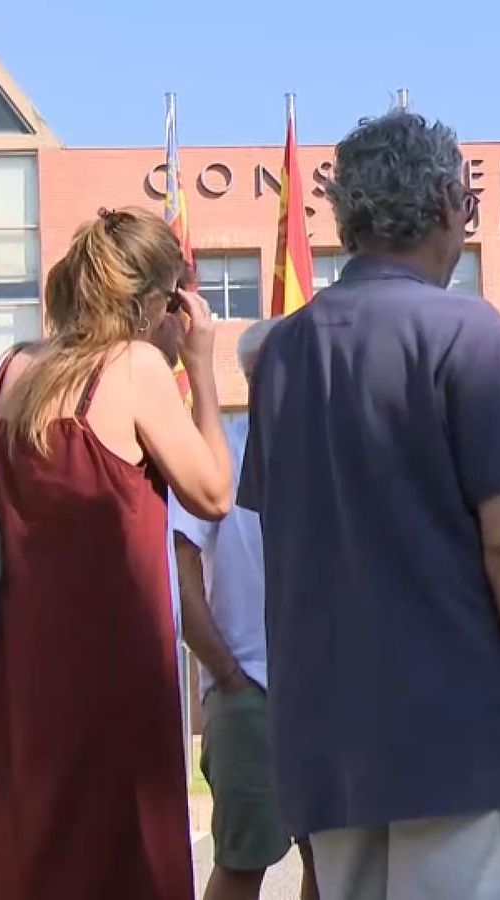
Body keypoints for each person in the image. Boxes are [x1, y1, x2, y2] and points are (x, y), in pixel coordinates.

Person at [238, 110, 500, 900]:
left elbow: (289, 538)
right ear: (445, 199)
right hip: (456, 735)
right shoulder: (466, 331)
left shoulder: (283, 353)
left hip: (328, 738)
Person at [0, 206, 233, 900]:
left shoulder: (10, 371)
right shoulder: (132, 366)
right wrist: (202, 367)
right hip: (116, 659)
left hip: (24, 660)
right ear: (160, 302)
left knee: (33, 842)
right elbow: (214, 493)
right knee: (115, 847)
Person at [172, 317, 318, 900]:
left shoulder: (332, 452)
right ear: (254, 378)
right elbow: (179, 571)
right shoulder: (220, 450)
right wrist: (227, 675)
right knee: (242, 861)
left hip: (327, 691)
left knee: (332, 861)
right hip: (248, 692)